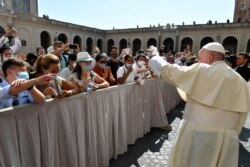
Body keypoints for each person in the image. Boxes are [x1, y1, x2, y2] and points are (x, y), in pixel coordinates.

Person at [149, 42, 250, 167]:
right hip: (228, 139)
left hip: (197, 135)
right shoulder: (240, 81)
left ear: (209, 57)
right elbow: (241, 117)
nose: (197, 61)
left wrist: (155, 56)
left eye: (199, 58)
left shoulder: (202, 70)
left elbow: (168, 71)